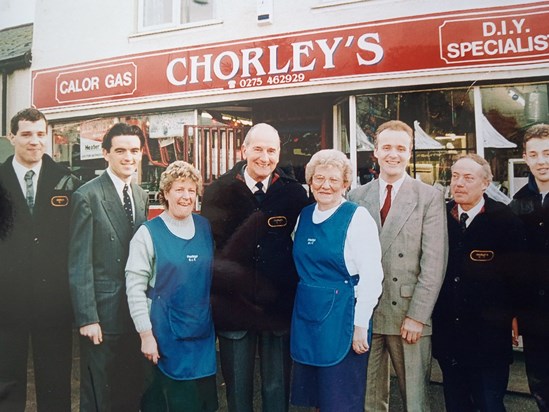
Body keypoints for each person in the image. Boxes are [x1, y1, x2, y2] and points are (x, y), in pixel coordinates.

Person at [200, 123, 310, 412]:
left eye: (271, 150)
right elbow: (209, 249)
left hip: (276, 308)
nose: (264, 157)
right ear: (244, 150)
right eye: (258, 149)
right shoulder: (218, 191)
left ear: (279, 153)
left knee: (276, 388)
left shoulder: (294, 193)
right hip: (233, 307)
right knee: (238, 388)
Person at [348, 120, 448, 412]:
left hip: (409, 315)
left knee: (415, 400)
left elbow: (434, 262)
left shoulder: (428, 196)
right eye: (387, 147)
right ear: (375, 152)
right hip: (367, 314)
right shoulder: (357, 196)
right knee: (368, 399)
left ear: (410, 153)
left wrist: (418, 315)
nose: (394, 154)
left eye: (401, 148)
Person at [289, 149, 383, 412]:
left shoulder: (357, 217)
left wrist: (360, 325)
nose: (325, 185)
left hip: (343, 320)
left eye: (333, 180)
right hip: (309, 319)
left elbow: (372, 275)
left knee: (340, 401)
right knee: (317, 401)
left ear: (345, 184)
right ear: (310, 181)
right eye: (319, 178)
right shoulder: (304, 216)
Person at [0, 108, 80, 411]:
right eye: (26, 134)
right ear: (12, 137)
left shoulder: (67, 180)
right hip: (6, 304)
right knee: (6, 383)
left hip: (53, 303)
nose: (35, 141)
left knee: (56, 383)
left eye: (40, 134)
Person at [432, 154, 525, 412]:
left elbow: (517, 275)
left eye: (468, 178)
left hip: (489, 339)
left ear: (485, 184)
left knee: (488, 403)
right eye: (455, 176)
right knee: (455, 404)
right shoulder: (439, 217)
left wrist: (516, 315)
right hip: (449, 337)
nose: (459, 183)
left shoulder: (505, 220)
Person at [126, 160, 218, 412]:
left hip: (201, 335)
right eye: (179, 189)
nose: (186, 196)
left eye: (191, 190)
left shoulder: (204, 227)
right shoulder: (147, 233)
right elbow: (134, 288)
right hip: (164, 337)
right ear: (166, 193)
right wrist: (146, 336)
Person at [69, 122, 149, 411]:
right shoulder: (87, 195)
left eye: (134, 151)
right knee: (98, 396)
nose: (128, 157)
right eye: (120, 151)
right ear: (106, 153)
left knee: (128, 392)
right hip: (102, 316)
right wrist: (88, 317)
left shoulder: (140, 195)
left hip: (133, 313)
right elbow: (79, 263)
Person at [509, 123, 549, 411]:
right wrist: (514, 312)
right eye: (534, 155)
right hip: (534, 313)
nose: (541, 161)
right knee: (541, 384)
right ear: (525, 157)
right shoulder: (518, 203)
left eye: (547, 153)